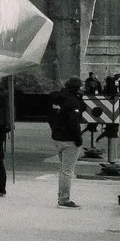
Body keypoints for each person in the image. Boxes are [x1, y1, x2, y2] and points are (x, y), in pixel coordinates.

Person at [51, 78, 85, 207]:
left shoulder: (59, 98)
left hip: (57, 136)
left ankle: (61, 196)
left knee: (63, 169)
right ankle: (64, 199)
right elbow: (74, 122)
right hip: (69, 139)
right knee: (67, 171)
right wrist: (78, 139)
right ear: (77, 88)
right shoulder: (73, 102)